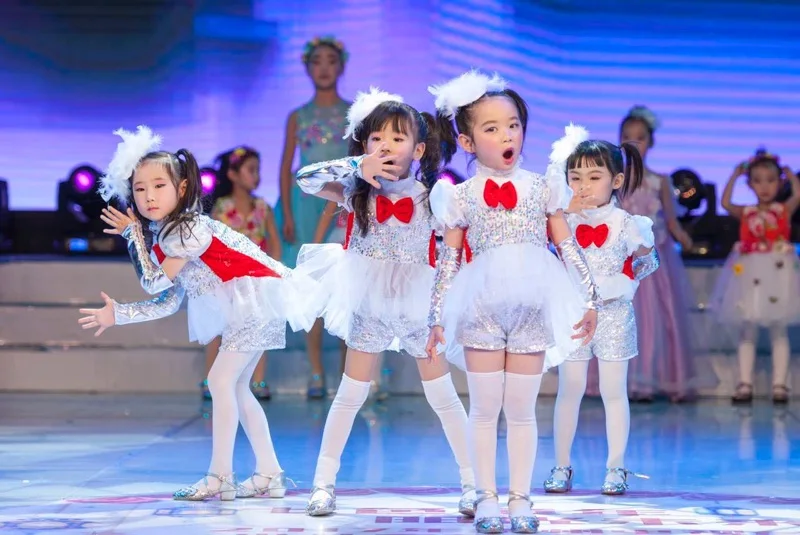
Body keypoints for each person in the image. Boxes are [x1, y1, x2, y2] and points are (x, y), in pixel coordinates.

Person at [79, 126, 317, 501]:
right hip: (248, 305)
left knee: (221, 381)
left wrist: (132, 237)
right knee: (236, 389)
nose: (148, 196)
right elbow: (168, 300)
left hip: (254, 301)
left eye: (158, 186)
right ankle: (269, 473)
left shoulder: (186, 229)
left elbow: (153, 283)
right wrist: (118, 315)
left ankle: (220, 477)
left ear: (183, 188)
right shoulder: (169, 233)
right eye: (140, 189)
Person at [425, 71, 599, 534]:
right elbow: (448, 261)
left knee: (522, 411)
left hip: (533, 304)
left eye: (514, 124)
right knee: (484, 410)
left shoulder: (544, 187)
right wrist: (437, 315)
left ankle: (520, 498)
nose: (507, 136)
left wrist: (590, 299)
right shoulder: (458, 196)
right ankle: (485, 497)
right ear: (466, 139)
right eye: (492, 128)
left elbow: (567, 246)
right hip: (480, 303)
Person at [294, 88, 475, 517]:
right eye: (376, 138)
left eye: (397, 137)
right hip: (368, 301)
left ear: (419, 148)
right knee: (351, 394)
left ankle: (474, 483)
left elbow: (452, 251)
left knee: (444, 396)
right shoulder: (356, 190)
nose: (386, 146)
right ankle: (323, 483)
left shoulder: (434, 194)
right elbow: (305, 179)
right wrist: (357, 165)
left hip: (419, 304)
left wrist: (441, 310)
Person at [543, 134, 659, 497]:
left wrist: (622, 282)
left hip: (614, 315)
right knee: (570, 389)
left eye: (594, 177)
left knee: (613, 391)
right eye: (575, 177)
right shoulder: (560, 221)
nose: (583, 185)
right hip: (573, 315)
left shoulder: (627, 222)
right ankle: (561, 465)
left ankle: (616, 467)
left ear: (617, 181)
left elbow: (648, 260)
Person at [274, 36, 351, 398]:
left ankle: (353, 374)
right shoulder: (297, 116)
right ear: (307, 67)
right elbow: (287, 167)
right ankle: (317, 371)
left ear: (341, 66)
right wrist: (287, 212)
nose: (324, 67)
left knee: (350, 289)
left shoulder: (354, 114)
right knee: (313, 290)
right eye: (317, 60)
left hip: (345, 204)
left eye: (331, 60)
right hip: (306, 206)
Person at [711, 149, 800, 404]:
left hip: (778, 271)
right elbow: (726, 203)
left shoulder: (783, 209)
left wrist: (791, 175)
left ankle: (780, 385)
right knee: (747, 328)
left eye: (771, 180)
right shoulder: (747, 211)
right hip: (749, 274)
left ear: (779, 182)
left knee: (778, 329)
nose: (765, 187)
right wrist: (734, 175)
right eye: (758, 180)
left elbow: (798, 195)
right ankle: (744, 383)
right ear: (750, 184)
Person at [201, 146, 281, 400]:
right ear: (233, 174)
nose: (256, 176)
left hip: (257, 279)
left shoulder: (262, 208)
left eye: (258, 170)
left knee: (258, 328)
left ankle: (258, 381)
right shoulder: (222, 208)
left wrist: (272, 272)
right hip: (226, 279)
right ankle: (210, 379)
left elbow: (274, 244)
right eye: (250, 170)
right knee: (220, 328)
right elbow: (210, 245)